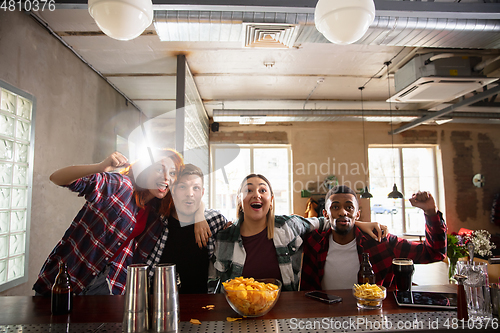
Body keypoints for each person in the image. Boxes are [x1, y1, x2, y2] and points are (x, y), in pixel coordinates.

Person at [33, 149, 185, 296]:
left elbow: (191, 208)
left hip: (106, 283)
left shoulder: (155, 212)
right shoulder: (121, 185)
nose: (166, 178)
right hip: (70, 273)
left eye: (172, 173)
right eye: (160, 169)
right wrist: (100, 167)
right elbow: (57, 178)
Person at [214, 174, 387, 291]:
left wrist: (359, 223)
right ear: (239, 200)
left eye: (262, 190)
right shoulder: (224, 237)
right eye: (248, 190)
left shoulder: (289, 226)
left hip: (282, 316)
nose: (256, 195)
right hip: (235, 316)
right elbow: (214, 285)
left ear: (271, 200)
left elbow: (326, 222)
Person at [300, 185, 447, 291]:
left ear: (357, 214)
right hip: (324, 318)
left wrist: (430, 212)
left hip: (374, 318)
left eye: (349, 207)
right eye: (335, 207)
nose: (343, 212)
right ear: (325, 214)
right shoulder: (313, 242)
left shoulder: (380, 242)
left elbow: (434, 253)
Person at [145, 164, 229, 294]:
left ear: (202, 192)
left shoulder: (214, 221)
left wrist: (200, 215)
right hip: (159, 304)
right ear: (172, 190)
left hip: (202, 306)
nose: (190, 194)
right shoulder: (158, 221)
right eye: (183, 187)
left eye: (196, 188)